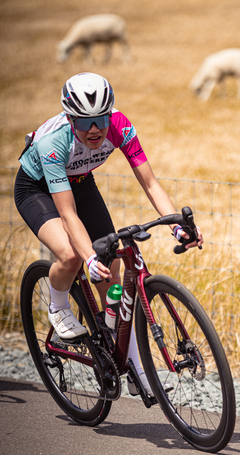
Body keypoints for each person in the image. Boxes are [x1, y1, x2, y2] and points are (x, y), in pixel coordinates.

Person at [14, 72, 203, 397]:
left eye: (101, 119)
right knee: (72, 255)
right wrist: (87, 256)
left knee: (111, 278)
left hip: (82, 182)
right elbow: (68, 213)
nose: (95, 129)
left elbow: (150, 183)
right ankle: (58, 306)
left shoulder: (120, 126)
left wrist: (176, 225)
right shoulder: (53, 141)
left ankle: (131, 366)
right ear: (70, 117)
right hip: (37, 189)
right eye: (84, 122)